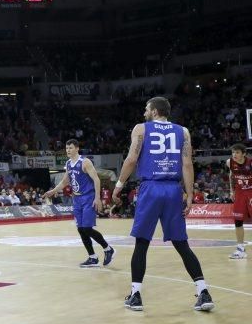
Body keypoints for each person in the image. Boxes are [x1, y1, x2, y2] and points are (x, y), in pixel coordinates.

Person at [112, 97, 214, 312]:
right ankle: (203, 291)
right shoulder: (183, 131)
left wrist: (119, 185)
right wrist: (189, 193)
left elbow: (131, 160)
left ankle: (136, 295)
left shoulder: (141, 129)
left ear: (155, 111)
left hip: (151, 188)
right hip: (173, 189)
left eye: (146, 109)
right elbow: (187, 164)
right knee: (181, 244)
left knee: (141, 243)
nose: (144, 113)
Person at [43, 139, 115, 267]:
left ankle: (108, 248)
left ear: (77, 148)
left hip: (88, 197)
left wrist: (97, 198)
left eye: (70, 148)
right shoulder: (69, 164)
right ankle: (92, 257)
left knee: (87, 228)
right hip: (76, 199)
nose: (68, 151)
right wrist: (52, 191)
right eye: (66, 148)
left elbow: (96, 179)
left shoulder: (85, 162)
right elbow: (65, 182)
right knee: (81, 230)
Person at [227, 143, 251, 259]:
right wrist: (232, 191)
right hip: (240, 192)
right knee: (238, 221)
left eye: (237, 152)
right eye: (233, 152)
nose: (234, 155)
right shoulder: (230, 162)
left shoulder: (250, 163)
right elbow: (231, 175)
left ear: (244, 154)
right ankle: (240, 249)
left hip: (251, 192)